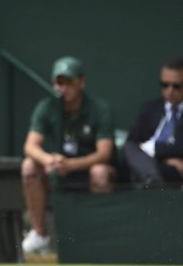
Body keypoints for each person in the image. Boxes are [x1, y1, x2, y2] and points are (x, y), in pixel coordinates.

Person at [21, 57, 115, 255]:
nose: (64, 88)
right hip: (58, 170)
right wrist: (48, 160)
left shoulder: (99, 108)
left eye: (69, 82)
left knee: (100, 173)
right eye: (59, 82)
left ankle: (101, 237)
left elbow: (105, 153)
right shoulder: (46, 107)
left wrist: (72, 164)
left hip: (87, 169)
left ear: (81, 82)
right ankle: (39, 234)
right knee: (30, 166)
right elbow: (30, 146)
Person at [122, 57, 183, 187]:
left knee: (138, 173)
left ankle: (152, 180)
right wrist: (166, 158)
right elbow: (132, 144)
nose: (170, 91)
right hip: (149, 164)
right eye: (165, 85)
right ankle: (153, 179)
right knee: (130, 148)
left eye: (176, 86)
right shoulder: (150, 109)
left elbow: (180, 147)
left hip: (172, 170)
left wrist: (153, 148)